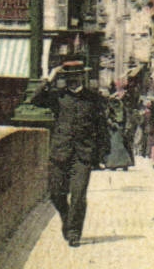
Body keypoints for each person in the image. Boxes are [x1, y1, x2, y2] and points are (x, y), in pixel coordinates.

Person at [23, 60, 111, 247]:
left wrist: (103, 155)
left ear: (82, 77)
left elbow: (101, 127)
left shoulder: (93, 99)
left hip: (83, 155)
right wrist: (49, 78)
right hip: (60, 153)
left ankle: (73, 232)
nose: (73, 80)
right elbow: (33, 99)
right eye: (69, 77)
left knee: (78, 195)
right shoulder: (58, 97)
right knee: (56, 193)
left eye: (76, 76)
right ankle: (66, 216)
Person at [103, 91, 134, 171]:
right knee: (113, 146)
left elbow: (127, 118)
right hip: (113, 129)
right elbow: (106, 117)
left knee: (123, 146)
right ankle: (113, 163)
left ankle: (124, 163)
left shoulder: (123, 108)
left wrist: (127, 128)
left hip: (122, 128)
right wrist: (111, 123)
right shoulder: (109, 108)